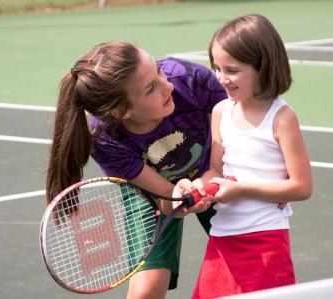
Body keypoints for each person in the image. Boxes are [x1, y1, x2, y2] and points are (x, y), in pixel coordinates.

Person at [45, 41, 227, 299]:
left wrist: (217, 175)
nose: (168, 86)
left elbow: (242, 124)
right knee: (146, 291)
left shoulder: (188, 78)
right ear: (120, 111)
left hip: (215, 164)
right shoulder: (105, 139)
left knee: (249, 262)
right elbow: (163, 194)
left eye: (158, 71)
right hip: (152, 189)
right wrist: (176, 200)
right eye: (151, 88)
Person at [175, 14, 313, 298]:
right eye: (216, 68)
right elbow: (215, 170)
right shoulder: (221, 111)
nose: (222, 78)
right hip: (222, 237)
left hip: (265, 241)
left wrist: (241, 190)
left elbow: (301, 187)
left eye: (232, 70)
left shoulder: (282, 118)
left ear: (263, 67)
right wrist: (201, 186)